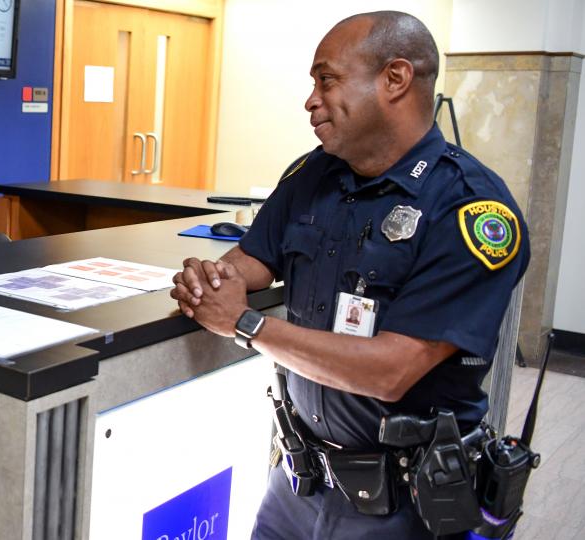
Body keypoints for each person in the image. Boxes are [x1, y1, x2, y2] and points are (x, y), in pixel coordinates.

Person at [170, 11, 529, 539]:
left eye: (327, 79)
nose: (311, 99)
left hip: (402, 506)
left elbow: (392, 370)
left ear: (395, 79)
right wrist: (213, 277)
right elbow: (255, 260)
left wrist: (245, 325)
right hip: (297, 482)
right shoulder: (313, 173)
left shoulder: (471, 210)